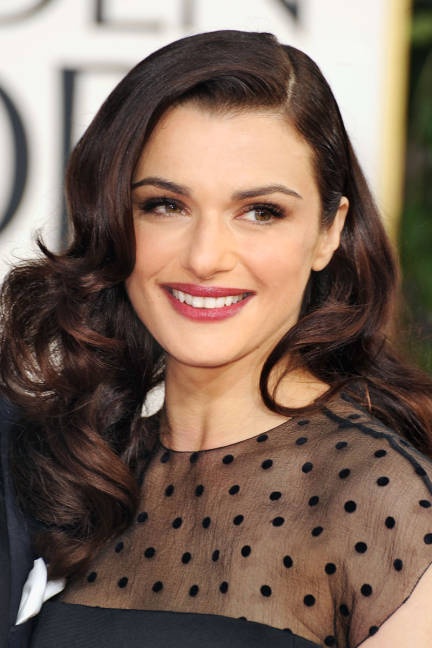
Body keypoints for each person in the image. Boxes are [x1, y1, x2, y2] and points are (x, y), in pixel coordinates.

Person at [1, 29, 432, 648]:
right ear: (114, 218)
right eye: (165, 205)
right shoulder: (75, 476)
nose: (205, 257)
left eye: (261, 212)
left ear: (328, 233)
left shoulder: (386, 505)